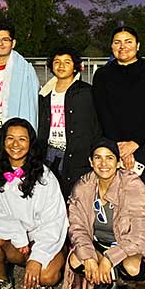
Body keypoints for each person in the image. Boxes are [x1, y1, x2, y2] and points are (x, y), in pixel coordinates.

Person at [62, 139, 145, 289]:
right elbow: (77, 227)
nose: (103, 163)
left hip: (127, 246)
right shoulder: (83, 186)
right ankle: (105, 283)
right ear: (91, 162)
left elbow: (142, 236)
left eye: (109, 158)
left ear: (119, 162)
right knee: (77, 260)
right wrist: (89, 257)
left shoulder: (132, 185)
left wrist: (109, 259)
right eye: (98, 158)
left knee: (133, 268)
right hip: (99, 243)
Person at [0, 118, 67, 289]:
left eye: (22, 139)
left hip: (40, 239)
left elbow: (54, 220)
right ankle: (2, 280)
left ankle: (41, 276)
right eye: (10, 138)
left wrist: (37, 257)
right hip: (12, 240)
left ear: (30, 143)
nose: (15, 144)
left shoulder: (45, 176)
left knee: (47, 276)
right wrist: (17, 234)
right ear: (3, 140)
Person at [91, 26, 145, 195]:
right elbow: (103, 113)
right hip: (114, 145)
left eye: (128, 42)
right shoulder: (102, 75)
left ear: (138, 45)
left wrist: (134, 143)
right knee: (115, 196)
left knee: (141, 197)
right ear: (111, 46)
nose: (122, 46)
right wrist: (119, 147)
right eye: (117, 42)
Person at [36, 46, 101, 199]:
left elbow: (96, 124)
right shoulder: (45, 93)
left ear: (75, 66)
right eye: (57, 62)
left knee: (75, 197)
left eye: (67, 62)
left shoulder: (86, 92)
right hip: (50, 152)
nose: (61, 66)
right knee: (50, 196)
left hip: (76, 153)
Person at [0, 19, 40, 137]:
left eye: (5, 40)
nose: (0, 43)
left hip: (13, 133)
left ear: (13, 43)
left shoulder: (25, 71)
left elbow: (32, 107)